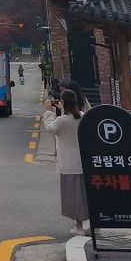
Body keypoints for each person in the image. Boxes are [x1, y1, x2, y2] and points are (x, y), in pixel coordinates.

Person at [42, 87, 87, 233]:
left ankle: (79, 226)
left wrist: (48, 111)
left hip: (68, 163)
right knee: (82, 194)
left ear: (62, 102)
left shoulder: (62, 121)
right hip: (82, 162)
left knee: (74, 196)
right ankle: (84, 223)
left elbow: (50, 127)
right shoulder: (82, 116)